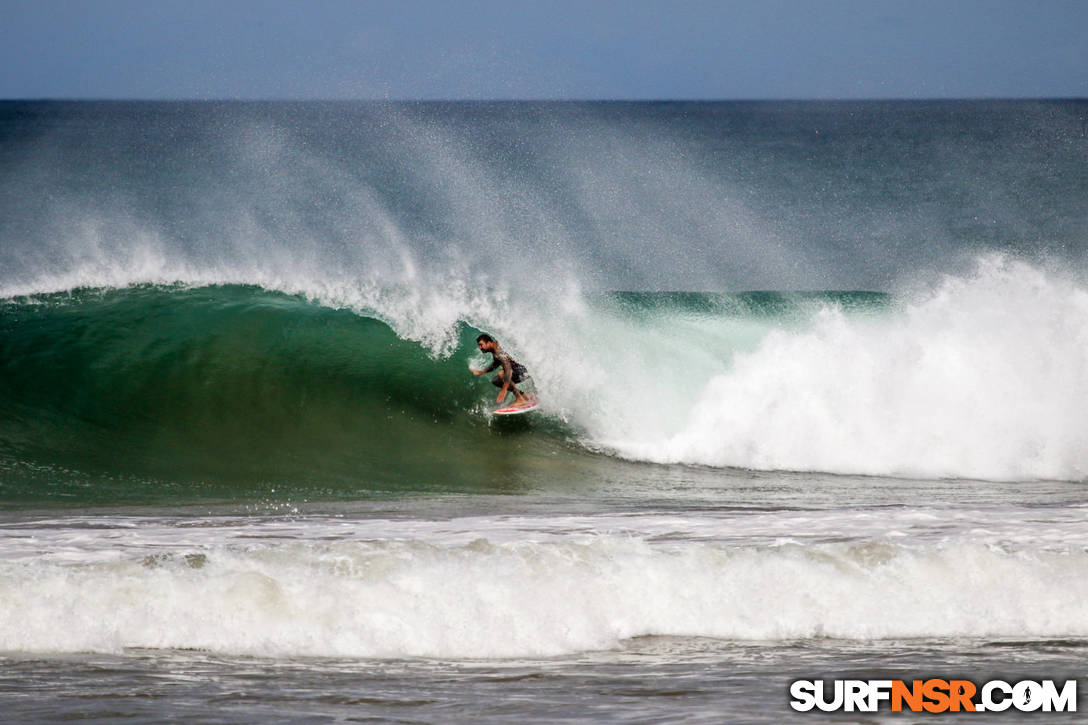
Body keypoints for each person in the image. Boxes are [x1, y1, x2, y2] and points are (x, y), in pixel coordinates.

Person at [472, 333, 532, 408]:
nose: (480, 347)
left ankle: (520, 399)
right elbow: (496, 363)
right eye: (479, 345)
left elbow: (508, 370)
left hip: (523, 371)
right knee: (496, 381)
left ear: (489, 343)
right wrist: (482, 372)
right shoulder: (495, 348)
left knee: (501, 373)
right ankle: (524, 396)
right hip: (520, 370)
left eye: (481, 345)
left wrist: (504, 389)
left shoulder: (498, 352)